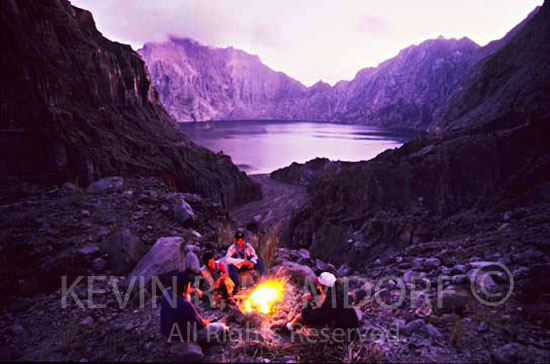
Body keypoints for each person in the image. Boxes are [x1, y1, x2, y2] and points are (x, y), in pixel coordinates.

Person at [160, 271, 227, 342]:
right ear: (185, 286)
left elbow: (185, 292)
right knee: (221, 327)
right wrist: (207, 321)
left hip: (166, 331)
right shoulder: (186, 305)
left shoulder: (166, 293)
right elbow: (200, 325)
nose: (190, 286)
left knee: (187, 296)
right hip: (181, 336)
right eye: (189, 285)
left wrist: (195, 290)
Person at [286, 272, 360, 331]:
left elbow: (310, 317)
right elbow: (322, 290)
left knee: (301, 316)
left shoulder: (331, 302)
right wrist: (312, 294)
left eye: (319, 285)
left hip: (343, 334)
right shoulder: (339, 291)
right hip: (353, 326)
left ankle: (288, 328)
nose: (317, 286)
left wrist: (306, 304)